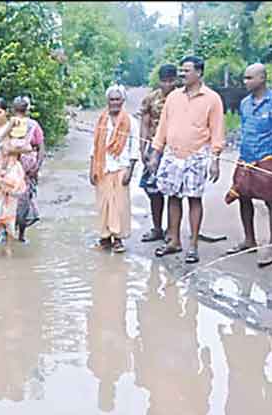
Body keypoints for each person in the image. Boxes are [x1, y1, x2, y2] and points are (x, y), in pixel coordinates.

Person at [150, 55, 225, 264]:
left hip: (197, 155)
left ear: (199, 72)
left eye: (187, 70)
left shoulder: (212, 99)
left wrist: (215, 159)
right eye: (181, 70)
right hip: (172, 154)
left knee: (194, 198)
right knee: (172, 196)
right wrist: (155, 153)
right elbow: (162, 127)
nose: (182, 74)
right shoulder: (173, 97)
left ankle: (193, 245)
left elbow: (217, 131)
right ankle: (173, 241)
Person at [224, 63, 272, 266]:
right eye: (245, 78)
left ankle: (271, 245)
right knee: (243, 197)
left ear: (262, 79)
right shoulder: (244, 103)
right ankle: (249, 240)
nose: (245, 82)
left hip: (267, 158)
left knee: (271, 202)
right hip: (245, 157)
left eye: (249, 78)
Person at [89, 85, 140, 253]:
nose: (115, 103)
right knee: (103, 204)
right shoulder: (101, 121)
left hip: (121, 167)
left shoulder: (131, 122)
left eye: (118, 99)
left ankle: (117, 239)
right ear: (107, 101)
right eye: (112, 99)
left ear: (123, 101)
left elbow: (134, 148)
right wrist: (91, 169)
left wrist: (130, 171)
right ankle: (104, 238)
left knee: (119, 205)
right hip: (102, 167)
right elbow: (94, 146)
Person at [138, 64, 178, 243]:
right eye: (164, 81)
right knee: (152, 189)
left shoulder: (181, 98)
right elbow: (145, 124)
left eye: (171, 81)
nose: (167, 85)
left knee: (174, 191)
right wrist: (142, 148)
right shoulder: (151, 99)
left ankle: (172, 230)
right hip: (155, 147)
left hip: (175, 149)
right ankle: (157, 228)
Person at [0, 98, 28, 255]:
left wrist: (11, 152)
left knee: (11, 211)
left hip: (12, 173)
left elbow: (26, 148)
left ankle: (8, 246)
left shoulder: (16, 129)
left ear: (6, 112)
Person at [11, 96, 45, 242]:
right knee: (13, 202)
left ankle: (20, 234)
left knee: (21, 201)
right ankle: (13, 233)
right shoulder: (10, 124)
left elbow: (41, 147)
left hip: (26, 172)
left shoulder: (33, 126)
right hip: (12, 169)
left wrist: (36, 167)